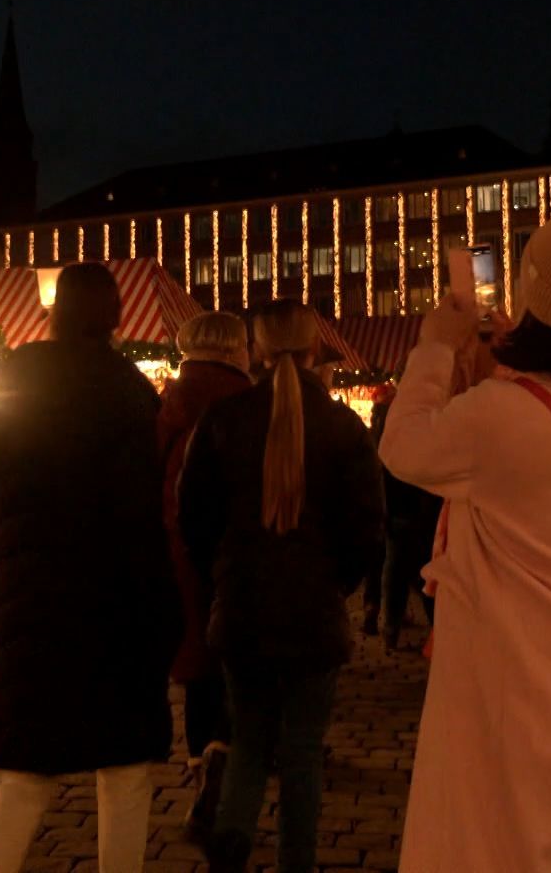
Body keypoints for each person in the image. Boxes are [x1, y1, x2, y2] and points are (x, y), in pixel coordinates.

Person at [379, 206, 551, 870]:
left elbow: (403, 446)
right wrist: (503, 364)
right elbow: (543, 422)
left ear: (537, 290)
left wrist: (436, 347)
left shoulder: (501, 416)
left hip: (516, 669)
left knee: (501, 832)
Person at [0, 263, 180, 873]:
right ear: (114, 315)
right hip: (118, 589)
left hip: (34, 590)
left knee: (29, 769)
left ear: (55, 311)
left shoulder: (15, 376)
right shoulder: (132, 390)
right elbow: (149, 503)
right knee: (125, 769)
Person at [180, 301, 383, 873]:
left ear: (257, 352)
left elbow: (193, 518)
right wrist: (335, 585)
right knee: (301, 754)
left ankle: (233, 841)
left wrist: (223, 575)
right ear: (315, 349)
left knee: (247, 740)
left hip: (242, 608)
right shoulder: (344, 426)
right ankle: (298, 860)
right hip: (314, 613)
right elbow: (368, 528)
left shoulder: (222, 421)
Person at [155, 311, 254, 843]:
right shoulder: (250, 401)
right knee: (239, 667)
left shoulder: (166, 405)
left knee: (197, 666)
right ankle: (225, 757)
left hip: (176, 552)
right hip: (238, 551)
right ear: (237, 347)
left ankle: (200, 768)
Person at [369, 391, 440, 650]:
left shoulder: (392, 424)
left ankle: (391, 627)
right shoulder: (432, 421)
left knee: (396, 569)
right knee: (425, 572)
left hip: (400, 508)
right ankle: (434, 629)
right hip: (421, 508)